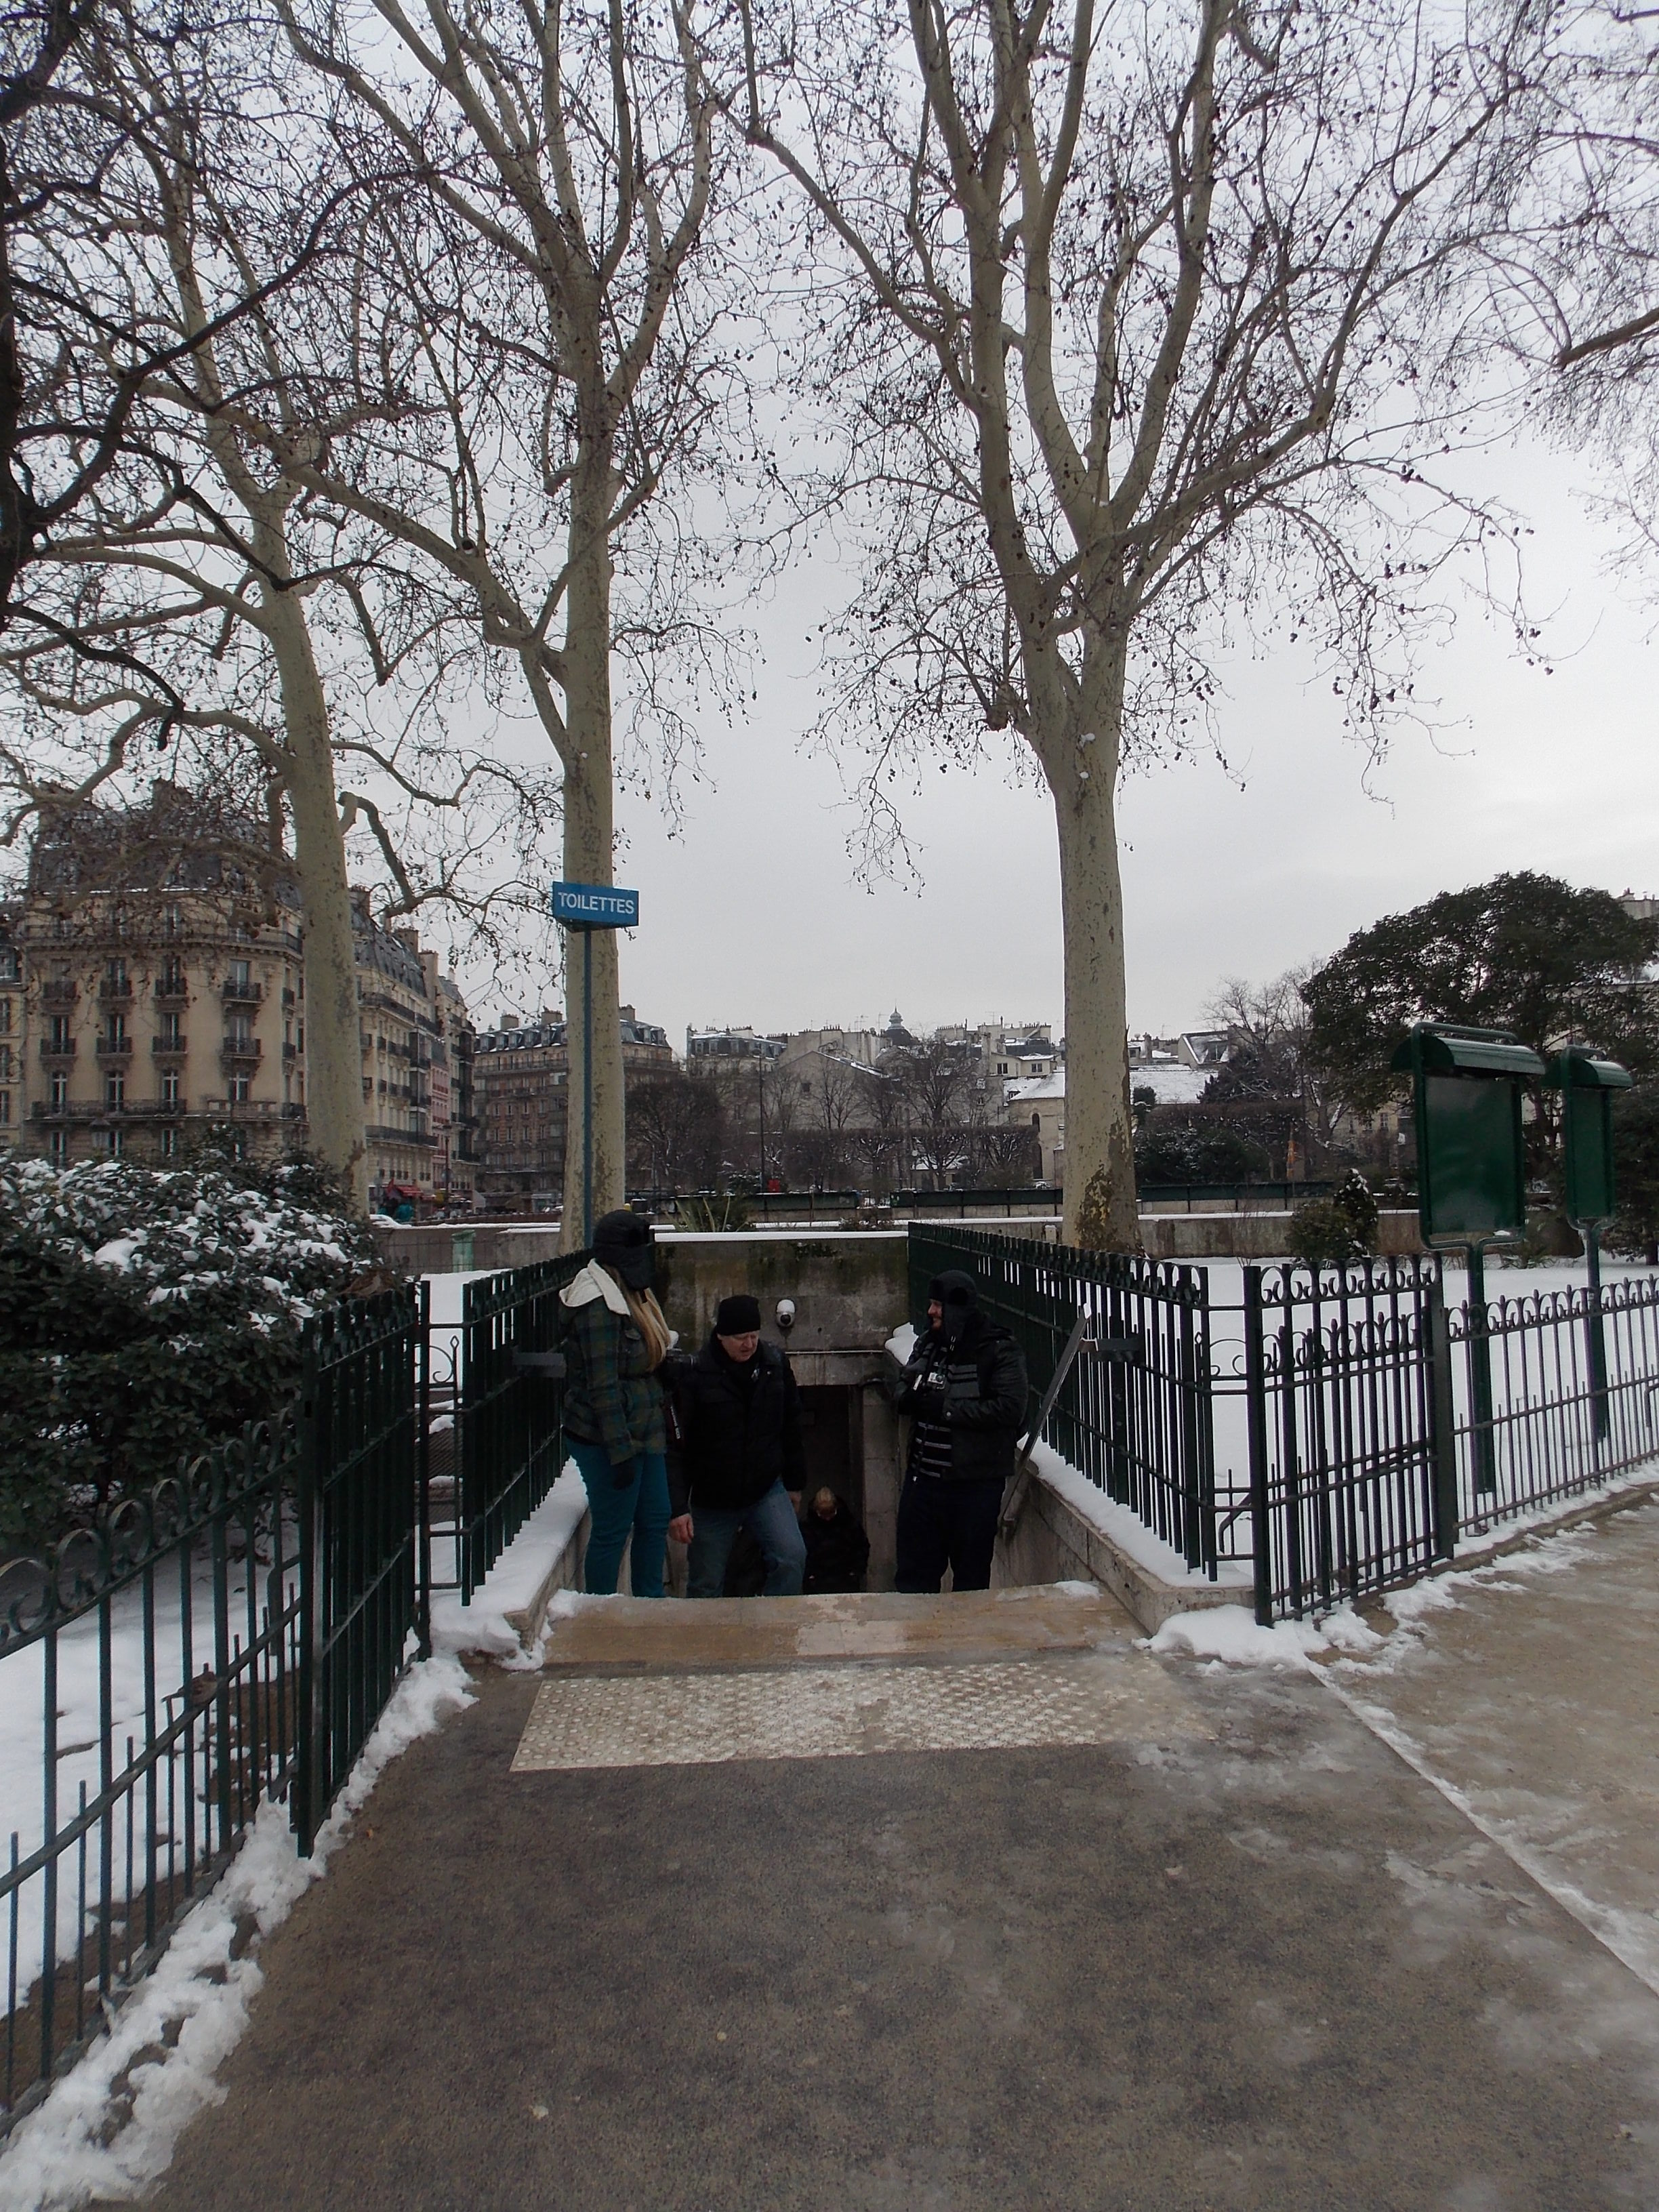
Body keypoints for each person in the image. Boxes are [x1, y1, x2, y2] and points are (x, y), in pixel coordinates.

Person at [558, 1210, 674, 1597]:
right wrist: (619, 1451)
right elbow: (602, 1385)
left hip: (644, 1427)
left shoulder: (630, 1289)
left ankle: (649, 1606)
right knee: (613, 1528)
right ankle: (600, 1610)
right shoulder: (596, 1303)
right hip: (606, 1435)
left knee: (655, 1518)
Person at [893, 1268, 1029, 1595]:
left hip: (973, 1488)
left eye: (938, 1305)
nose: (931, 1312)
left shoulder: (999, 1349)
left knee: (970, 1581)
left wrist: (948, 1409)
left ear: (957, 1307)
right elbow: (904, 1384)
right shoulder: (928, 1344)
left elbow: (1011, 1410)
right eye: (931, 1304)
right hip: (922, 1484)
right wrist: (908, 1398)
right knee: (913, 1580)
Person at [666, 1294, 808, 1598]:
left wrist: (795, 1483)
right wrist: (678, 1508)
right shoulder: (696, 1376)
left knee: (791, 1558)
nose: (749, 1344)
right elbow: (676, 1448)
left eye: (754, 1336)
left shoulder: (774, 1365)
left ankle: (777, 1625)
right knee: (706, 1582)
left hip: (765, 1489)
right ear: (721, 1337)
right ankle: (709, 1642)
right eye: (741, 1338)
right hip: (712, 1499)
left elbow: (792, 1424)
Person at [800, 1486, 871, 1596]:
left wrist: (856, 1572)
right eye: (823, 1514)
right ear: (816, 1511)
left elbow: (862, 1547)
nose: (827, 1519)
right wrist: (809, 1574)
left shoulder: (850, 1525)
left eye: (830, 1513)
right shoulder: (807, 1528)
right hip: (818, 1582)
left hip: (845, 1579)